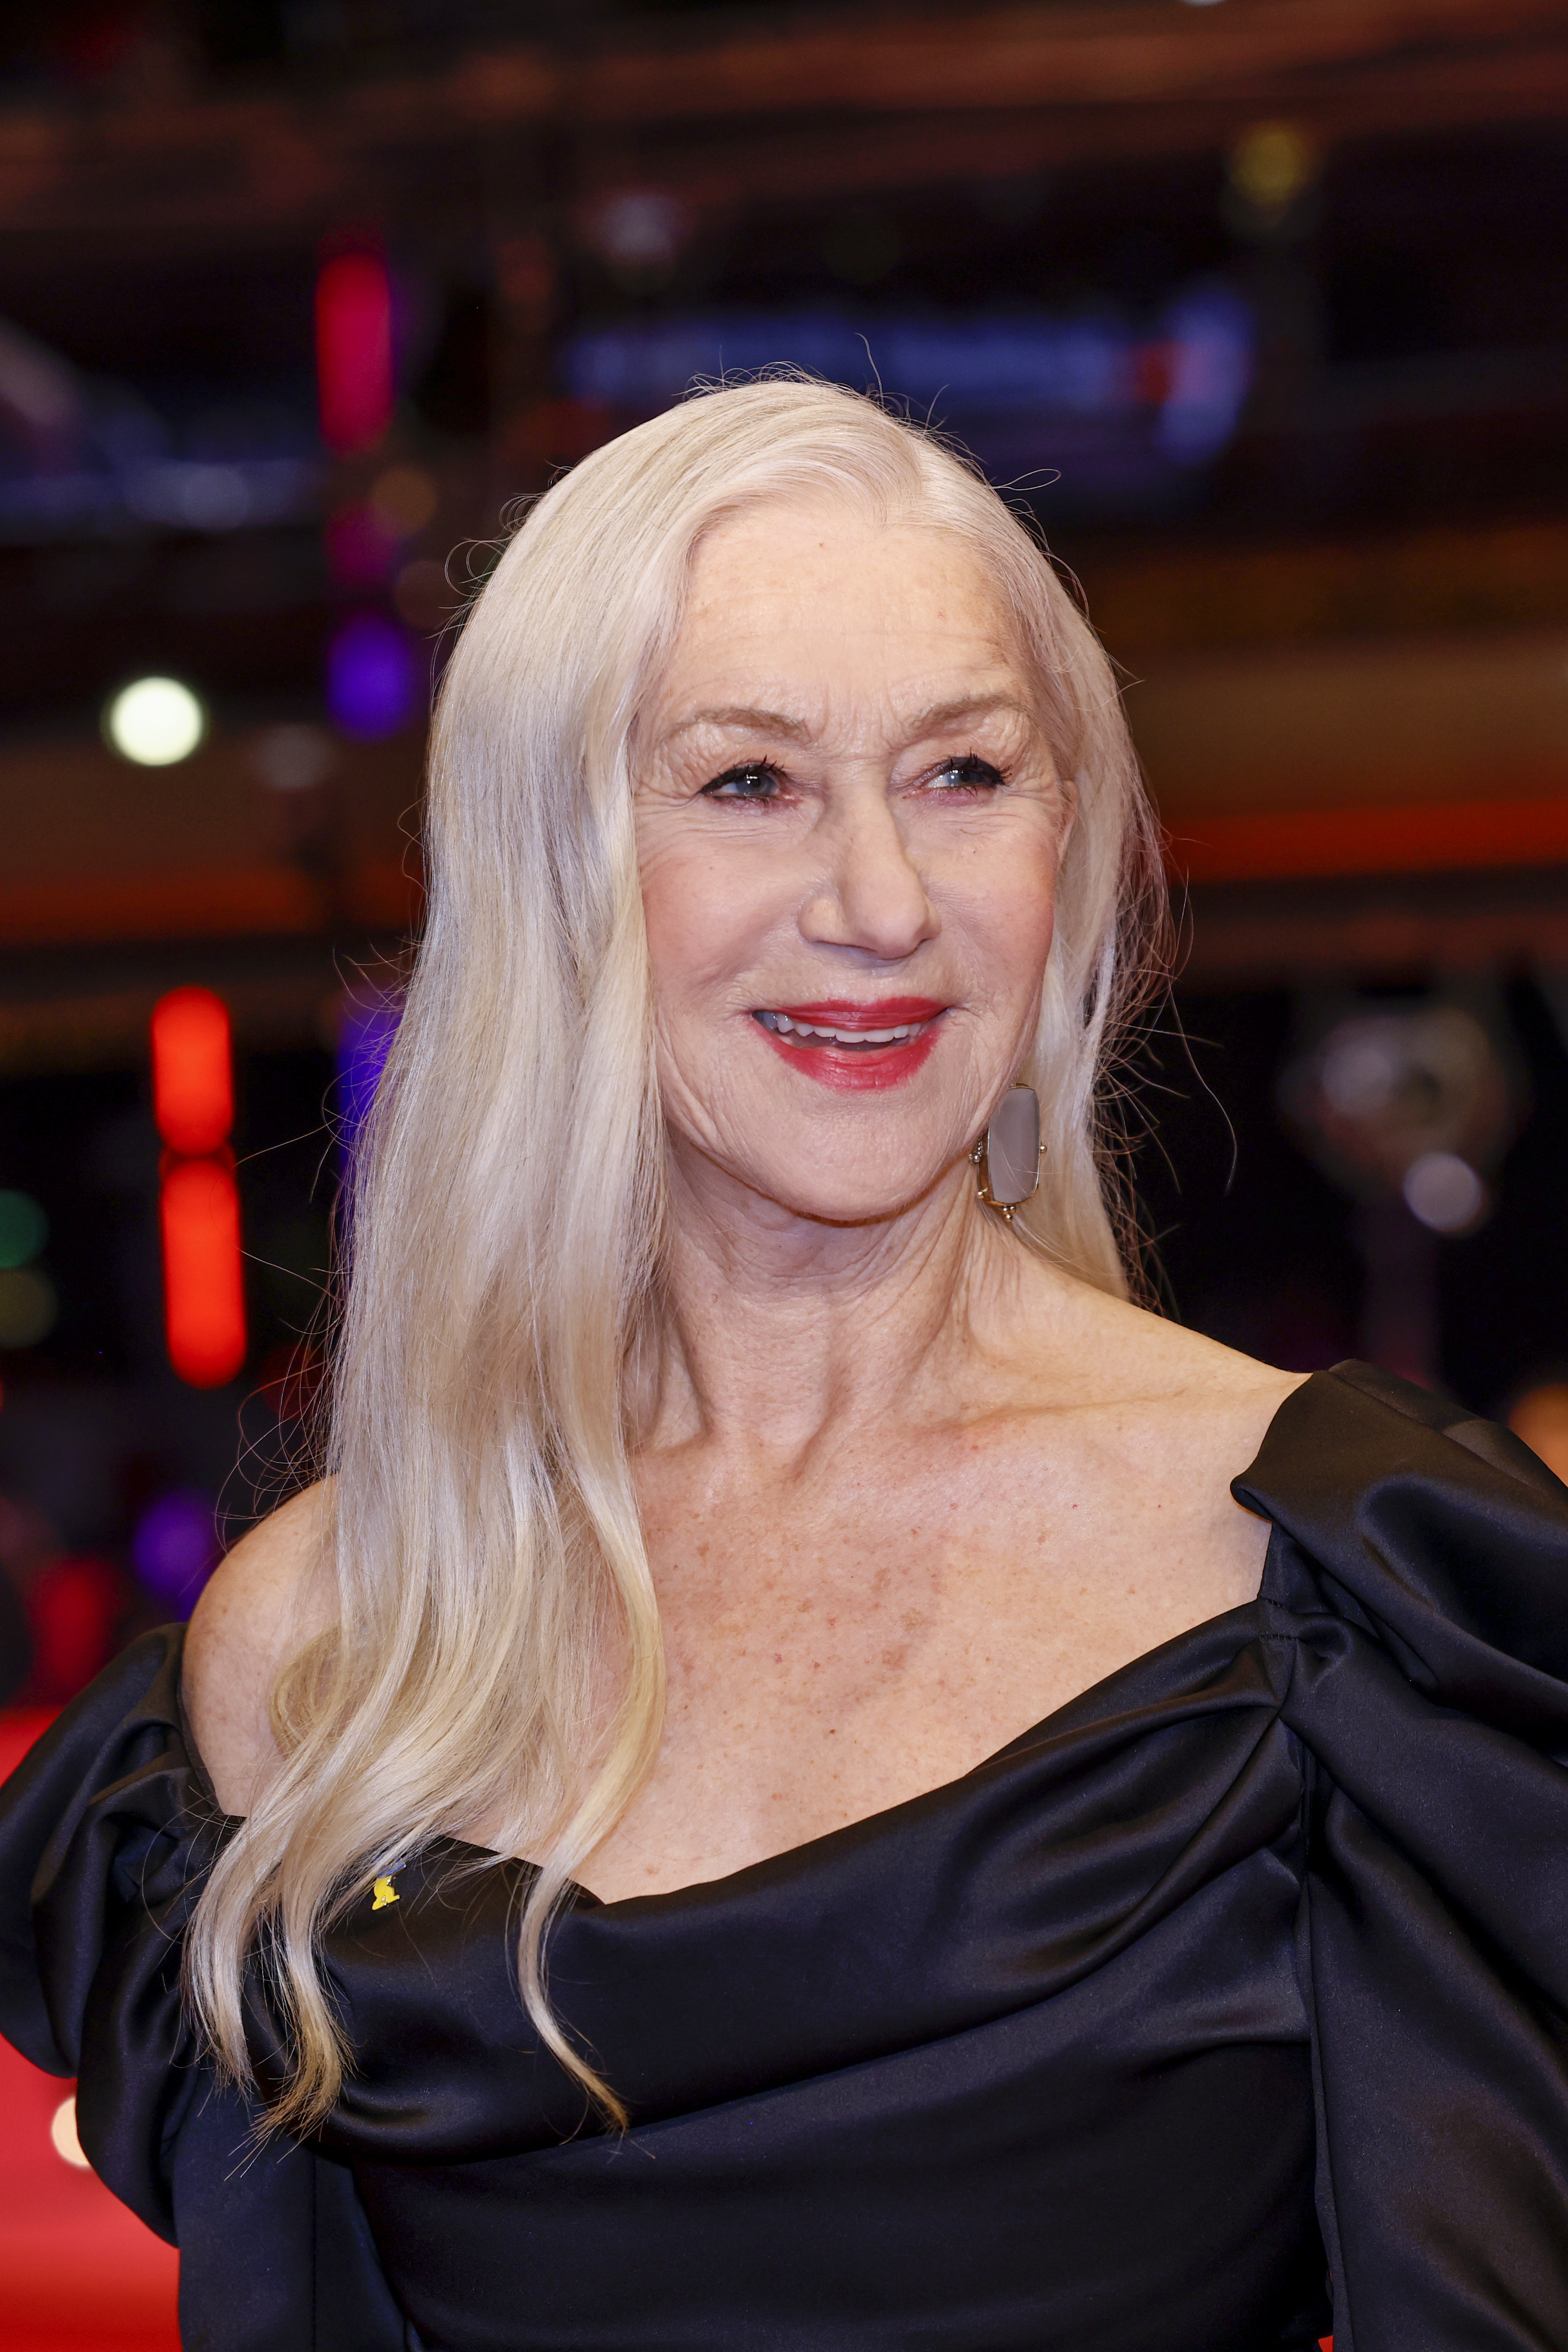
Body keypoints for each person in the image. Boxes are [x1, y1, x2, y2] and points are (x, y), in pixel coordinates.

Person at [3, 378, 1568, 2352]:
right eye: (747, 782)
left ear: (1068, 855)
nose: (881, 905)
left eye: (964, 775)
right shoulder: (323, 1640)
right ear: (550, 872)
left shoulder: (1349, 1588)